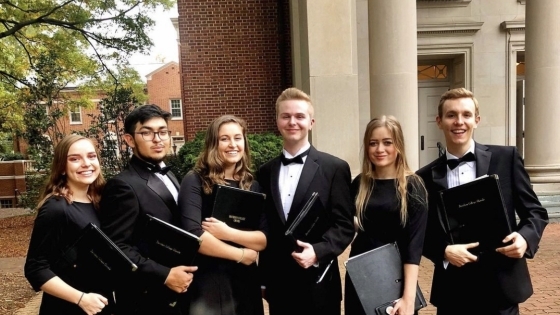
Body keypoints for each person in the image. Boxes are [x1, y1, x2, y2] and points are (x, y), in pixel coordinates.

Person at [416, 88, 549, 315]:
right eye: (451, 115)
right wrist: (444, 251)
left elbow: (535, 212)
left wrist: (525, 238)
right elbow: (420, 232)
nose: (459, 122)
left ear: (476, 120)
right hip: (453, 290)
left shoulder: (506, 159)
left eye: (466, 115)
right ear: (439, 121)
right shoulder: (423, 177)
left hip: (501, 285)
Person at [257, 87, 355, 315]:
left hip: (319, 282)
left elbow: (344, 225)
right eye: (286, 116)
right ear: (277, 121)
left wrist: (318, 252)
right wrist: (263, 279)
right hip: (279, 286)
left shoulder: (335, 168)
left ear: (311, 122)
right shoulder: (265, 172)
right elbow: (266, 228)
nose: (293, 122)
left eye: (300, 116)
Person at [99, 104, 197, 314]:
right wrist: (165, 275)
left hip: (180, 295)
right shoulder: (122, 186)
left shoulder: (170, 174)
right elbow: (116, 247)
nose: (157, 139)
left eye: (162, 132)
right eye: (147, 133)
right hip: (146, 300)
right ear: (129, 140)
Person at [178, 114, 267, 315]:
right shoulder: (195, 181)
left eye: (237, 138)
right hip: (208, 280)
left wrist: (226, 232)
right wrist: (242, 254)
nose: (232, 144)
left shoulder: (252, 185)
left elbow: (262, 240)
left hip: (245, 281)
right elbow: (194, 235)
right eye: (224, 139)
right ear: (213, 144)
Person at [344, 115, 428, 315]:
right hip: (361, 274)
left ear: (398, 145)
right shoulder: (360, 184)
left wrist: (408, 299)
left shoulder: (413, 186)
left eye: (387, 142)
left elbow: (414, 246)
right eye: (373, 143)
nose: (379, 149)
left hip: (395, 277)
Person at [25, 134, 110, 315]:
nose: (86, 163)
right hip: (68, 308)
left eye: (91, 156)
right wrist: (81, 299)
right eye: (74, 159)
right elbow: (35, 268)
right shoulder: (57, 208)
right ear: (62, 168)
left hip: (99, 305)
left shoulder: (101, 202)